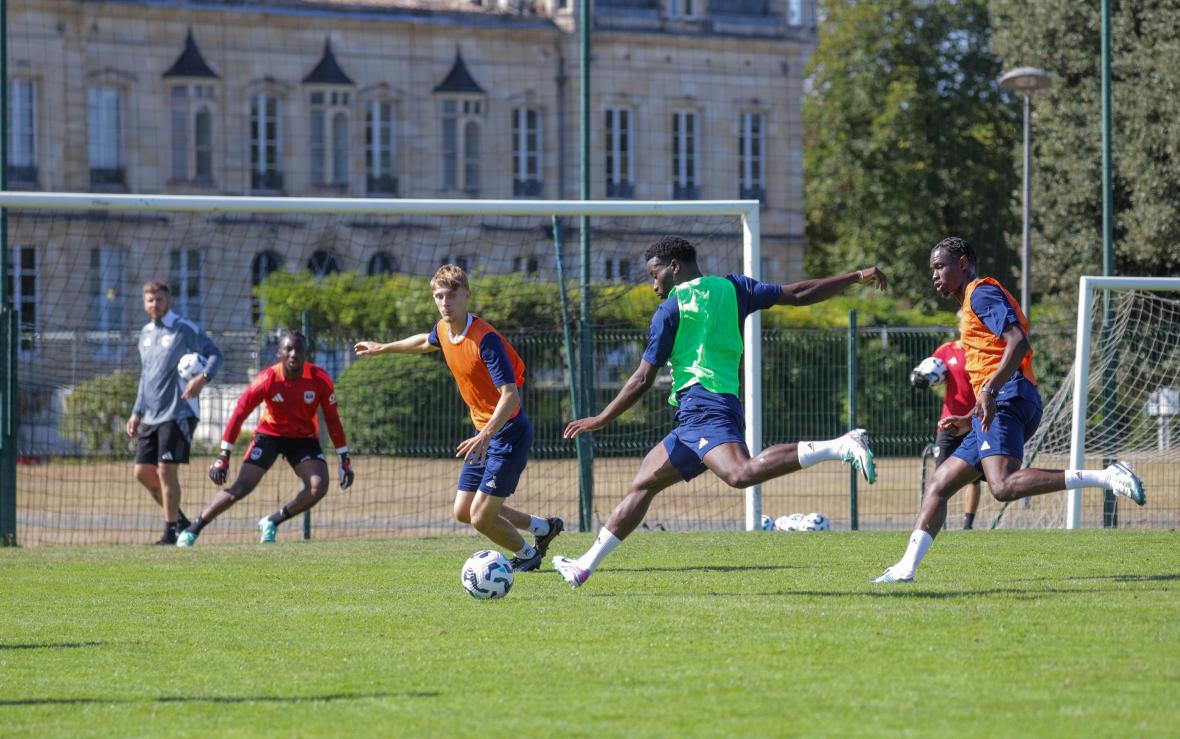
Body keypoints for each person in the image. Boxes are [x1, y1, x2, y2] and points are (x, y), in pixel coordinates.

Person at [552, 236, 887, 589]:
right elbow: (799, 293)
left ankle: (841, 445)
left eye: (655, 275)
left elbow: (642, 379)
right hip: (701, 411)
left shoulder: (670, 310)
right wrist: (854, 276)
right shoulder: (735, 288)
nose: (654, 286)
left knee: (740, 474)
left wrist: (601, 418)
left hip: (703, 407)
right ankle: (584, 566)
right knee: (643, 483)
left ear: (674, 267)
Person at [874, 237, 1146, 582]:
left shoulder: (981, 293)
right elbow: (994, 356)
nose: (935, 275)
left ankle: (1107, 476)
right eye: (932, 270)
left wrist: (988, 391)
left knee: (1000, 486)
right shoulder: (971, 303)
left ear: (962, 262)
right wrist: (971, 415)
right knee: (939, 485)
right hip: (1001, 400)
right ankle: (905, 569)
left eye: (940, 266)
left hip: (1009, 396)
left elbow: (1018, 341)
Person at [352, 265, 563, 571]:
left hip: (507, 434)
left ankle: (528, 555)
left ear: (467, 295)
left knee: (481, 517)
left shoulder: (484, 339)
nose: (444, 302)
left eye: (451, 295)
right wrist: (383, 348)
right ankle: (543, 527)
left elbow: (511, 396)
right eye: (439, 296)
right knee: (464, 511)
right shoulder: (443, 329)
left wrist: (486, 434)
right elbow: (426, 342)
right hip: (483, 435)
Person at [176, 330, 354, 546]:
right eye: (288, 349)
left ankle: (272, 521)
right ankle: (193, 529)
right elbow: (239, 414)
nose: (293, 354)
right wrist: (224, 454)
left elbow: (333, 421)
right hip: (270, 435)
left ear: (306, 353)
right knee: (242, 487)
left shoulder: (319, 380)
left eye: (299, 349)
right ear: (279, 352)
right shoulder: (267, 379)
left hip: (304, 438)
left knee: (319, 486)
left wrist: (344, 458)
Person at [125, 280, 222, 545]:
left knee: (167, 471)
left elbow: (215, 354)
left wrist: (202, 379)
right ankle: (179, 520)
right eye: (150, 300)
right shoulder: (145, 334)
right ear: (144, 304)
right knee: (143, 473)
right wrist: (136, 412)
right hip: (151, 415)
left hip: (179, 411)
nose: (155, 304)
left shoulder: (183, 328)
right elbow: (146, 377)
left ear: (168, 301)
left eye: (159, 299)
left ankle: (170, 532)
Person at [911, 334, 981, 528]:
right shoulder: (946, 350)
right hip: (949, 422)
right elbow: (931, 369)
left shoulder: (981, 350)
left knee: (973, 477)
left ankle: (967, 525)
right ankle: (931, 523)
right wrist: (921, 377)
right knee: (940, 475)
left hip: (975, 420)